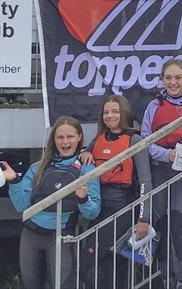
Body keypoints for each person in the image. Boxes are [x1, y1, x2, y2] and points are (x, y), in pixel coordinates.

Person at [0, 116, 100, 289]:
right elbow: (21, 206)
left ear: (79, 137)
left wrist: (83, 198)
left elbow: (93, 212)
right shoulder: (38, 167)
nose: (65, 142)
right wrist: (14, 181)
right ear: (54, 140)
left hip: (60, 238)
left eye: (70, 137)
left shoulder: (86, 168)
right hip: (31, 236)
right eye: (60, 137)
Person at [140, 59, 182, 289]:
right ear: (162, 79)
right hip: (160, 171)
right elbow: (145, 142)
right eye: (168, 78)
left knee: (179, 224)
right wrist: (165, 154)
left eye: (177, 77)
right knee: (160, 225)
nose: (173, 82)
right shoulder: (154, 106)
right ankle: (165, 278)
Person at [78, 95, 153, 289]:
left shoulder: (135, 140)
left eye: (115, 111)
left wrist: (143, 218)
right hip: (98, 209)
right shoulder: (98, 140)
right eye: (106, 112)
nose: (110, 116)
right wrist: (85, 153)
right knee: (103, 265)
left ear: (124, 113)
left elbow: (145, 181)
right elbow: (83, 162)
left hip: (123, 210)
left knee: (98, 262)